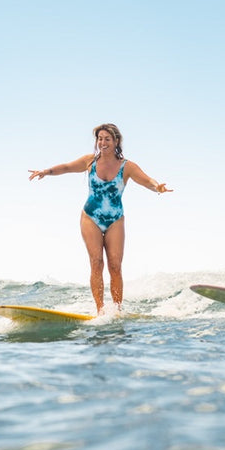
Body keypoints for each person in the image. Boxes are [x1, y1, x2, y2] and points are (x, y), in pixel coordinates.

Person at [29, 123, 172, 314]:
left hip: (115, 219)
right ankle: (100, 311)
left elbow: (146, 180)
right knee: (96, 263)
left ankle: (117, 310)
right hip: (91, 217)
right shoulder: (90, 161)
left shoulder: (127, 166)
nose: (102, 142)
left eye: (107, 139)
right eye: (100, 139)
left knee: (115, 265)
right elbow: (66, 167)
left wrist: (158, 187)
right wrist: (46, 172)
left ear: (116, 141)